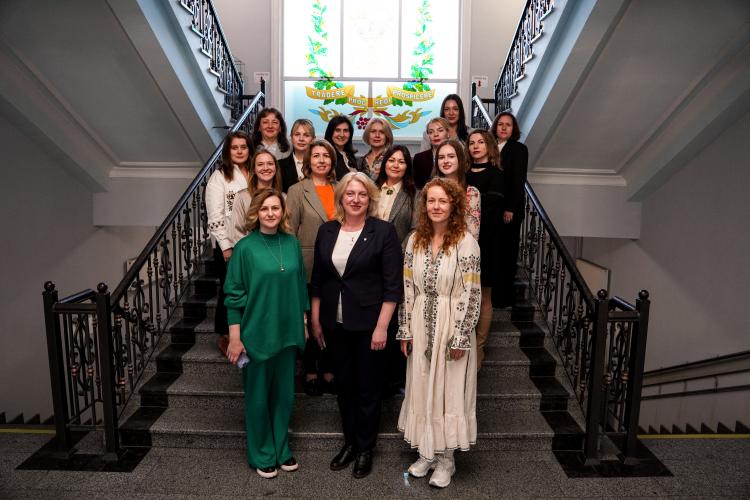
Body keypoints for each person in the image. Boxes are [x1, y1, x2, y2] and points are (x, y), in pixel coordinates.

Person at [310, 172, 403, 479]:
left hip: (369, 326)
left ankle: (365, 448)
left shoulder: (383, 231)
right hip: (334, 325)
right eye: (350, 193)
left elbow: (393, 286)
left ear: (370, 199)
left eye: (362, 194)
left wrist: (382, 327)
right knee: (344, 386)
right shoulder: (327, 230)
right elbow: (318, 279)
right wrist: (316, 318)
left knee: (368, 388)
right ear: (341, 197)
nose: (355, 199)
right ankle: (349, 443)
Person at [397, 177, 481, 489]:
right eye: (431, 200)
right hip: (421, 321)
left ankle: (446, 460)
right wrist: (405, 329)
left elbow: (472, 291)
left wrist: (461, 335)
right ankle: (426, 452)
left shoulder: (466, 242)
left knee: (448, 392)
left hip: (452, 321)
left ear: (453, 205)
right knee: (421, 386)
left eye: (442, 201)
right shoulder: (414, 240)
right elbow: (407, 287)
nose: (436, 206)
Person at [224, 188, 308, 479]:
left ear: (283, 212)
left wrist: (304, 322)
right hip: (256, 335)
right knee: (258, 399)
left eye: (275, 208)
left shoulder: (292, 243)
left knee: (284, 398)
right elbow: (233, 296)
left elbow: (300, 286)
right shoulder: (245, 248)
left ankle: (281, 449)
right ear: (256, 213)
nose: (270, 213)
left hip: (287, 334)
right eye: (264, 209)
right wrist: (235, 338)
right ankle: (262, 453)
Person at [286, 139, 338, 396]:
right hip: (307, 265)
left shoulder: (341, 188)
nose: (321, 160)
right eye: (316, 156)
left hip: (338, 267)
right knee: (309, 319)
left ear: (332, 161)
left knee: (331, 320)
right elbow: (289, 231)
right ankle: (310, 372)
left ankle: (328, 369)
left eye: (326, 156)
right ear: (308, 161)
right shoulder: (297, 190)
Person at [374, 145, 419, 397]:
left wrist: (392, 253)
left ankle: (393, 379)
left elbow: (415, 229)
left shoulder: (414, 194)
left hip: (398, 264)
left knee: (394, 322)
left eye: (401, 162)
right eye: (391, 160)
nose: (395, 165)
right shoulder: (371, 189)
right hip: (367, 265)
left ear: (407, 167)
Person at [205, 131, 252, 352]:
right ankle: (225, 336)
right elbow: (215, 216)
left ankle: (245, 333)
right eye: (235, 148)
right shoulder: (219, 177)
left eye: (244, 147)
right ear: (227, 151)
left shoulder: (254, 171)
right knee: (230, 290)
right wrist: (225, 246)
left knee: (249, 290)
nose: (240, 151)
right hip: (230, 245)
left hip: (252, 243)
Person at [465, 130, 504, 369]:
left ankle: (479, 347)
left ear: (489, 146)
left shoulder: (496, 175)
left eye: (480, 142)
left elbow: (492, 212)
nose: (475, 146)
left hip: (488, 243)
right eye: (471, 143)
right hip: (462, 242)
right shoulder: (463, 174)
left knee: (484, 295)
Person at [491, 112, 529, 308]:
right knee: (494, 254)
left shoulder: (519, 149)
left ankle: (504, 298)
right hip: (492, 209)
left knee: (508, 253)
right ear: (495, 127)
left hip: (509, 210)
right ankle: (492, 296)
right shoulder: (490, 147)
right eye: (500, 124)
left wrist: (510, 208)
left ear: (513, 129)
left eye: (508, 125)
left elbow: (518, 180)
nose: (504, 127)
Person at [229, 149, 284, 247]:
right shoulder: (243, 197)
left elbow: (287, 229)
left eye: (270, 164)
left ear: (276, 168)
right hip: (250, 251)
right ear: (254, 170)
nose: (266, 168)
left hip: (278, 250)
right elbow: (237, 233)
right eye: (260, 164)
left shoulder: (284, 197)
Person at [434, 139, 481, 241]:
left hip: (461, 247)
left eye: (451, 156)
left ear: (460, 159)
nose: (445, 161)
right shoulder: (430, 190)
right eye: (441, 157)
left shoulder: (472, 193)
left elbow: (473, 235)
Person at [413, 117, 450, 189]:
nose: (435, 134)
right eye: (431, 132)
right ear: (428, 136)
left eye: (440, 130)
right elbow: (417, 187)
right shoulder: (419, 158)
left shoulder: (457, 155)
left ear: (448, 133)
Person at [279, 119, 315, 193]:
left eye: (306, 135)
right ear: (291, 138)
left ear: (313, 140)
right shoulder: (279, 166)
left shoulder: (320, 164)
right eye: (297, 134)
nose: (301, 139)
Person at [324, 115, 357, 180]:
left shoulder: (350, 156)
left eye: (345, 130)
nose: (342, 135)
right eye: (337, 130)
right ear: (330, 132)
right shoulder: (326, 156)